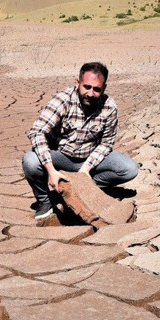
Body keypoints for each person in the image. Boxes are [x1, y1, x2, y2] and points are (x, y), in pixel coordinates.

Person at [22, 62, 139, 219]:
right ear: (77, 83)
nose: (90, 93)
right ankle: (45, 201)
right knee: (30, 161)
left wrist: (85, 171)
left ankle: (88, 189)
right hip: (60, 156)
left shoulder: (109, 107)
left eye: (96, 89)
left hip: (89, 159)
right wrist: (51, 171)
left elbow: (106, 144)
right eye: (87, 87)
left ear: (104, 88)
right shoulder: (62, 100)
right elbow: (37, 131)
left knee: (129, 168)